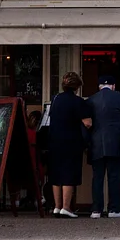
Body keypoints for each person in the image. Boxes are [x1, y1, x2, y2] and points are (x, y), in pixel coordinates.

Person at [47, 72, 91, 218]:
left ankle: (57, 206)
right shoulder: (78, 101)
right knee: (68, 173)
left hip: (54, 140)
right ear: (77, 86)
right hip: (71, 141)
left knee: (56, 174)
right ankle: (66, 207)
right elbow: (87, 123)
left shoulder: (56, 99)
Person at [87, 73, 120, 218]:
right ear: (113, 86)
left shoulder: (91, 99)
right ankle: (114, 209)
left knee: (97, 177)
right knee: (114, 176)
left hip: (96, 142)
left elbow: (89, 122)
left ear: (99, 87)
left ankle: (96, 210)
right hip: (115, 141)